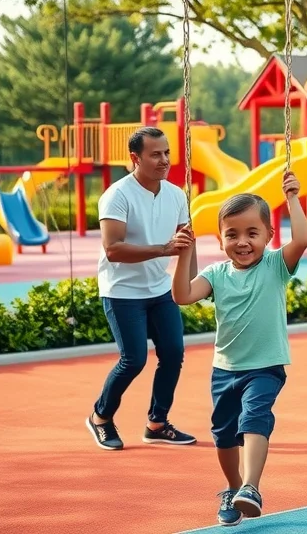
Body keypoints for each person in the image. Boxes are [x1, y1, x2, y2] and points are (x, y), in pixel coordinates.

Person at [171, 172, 307, 526]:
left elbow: (303, 239)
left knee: (254, 418)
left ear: (268, 236)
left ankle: (251, 486)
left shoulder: (276, 266)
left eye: (252, 233)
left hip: (265, 366)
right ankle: (233, 488)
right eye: (232, 234)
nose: (242, 241)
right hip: (225, 369)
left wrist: (292, 197)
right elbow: (182, 295)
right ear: (219, 240)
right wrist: (185, 252)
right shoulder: (216, 275)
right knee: (223, 434)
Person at [86, 126, 197, 451]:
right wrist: (163, 250)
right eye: (155, 154)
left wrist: (194, 283)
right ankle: (100, 417)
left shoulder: (176, 195)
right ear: (135, 158)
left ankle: (157, 423)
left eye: (166, 153)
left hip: (160, 290)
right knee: (133, 360)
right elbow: (113, 249)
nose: (164, 160)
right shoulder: (117, 195)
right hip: (122, 292)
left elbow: (185, 243)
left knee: (173, 354)